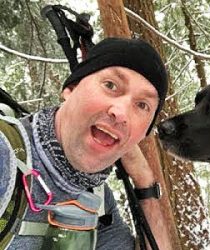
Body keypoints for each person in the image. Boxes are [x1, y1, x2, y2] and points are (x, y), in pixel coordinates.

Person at [3, 37, 173, 249]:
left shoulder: (96, 200)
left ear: (142, 135)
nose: (121, 114)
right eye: (110, 85)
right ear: (71, 88)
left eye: (142, 105)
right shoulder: (6, 155)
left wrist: (144, 182)